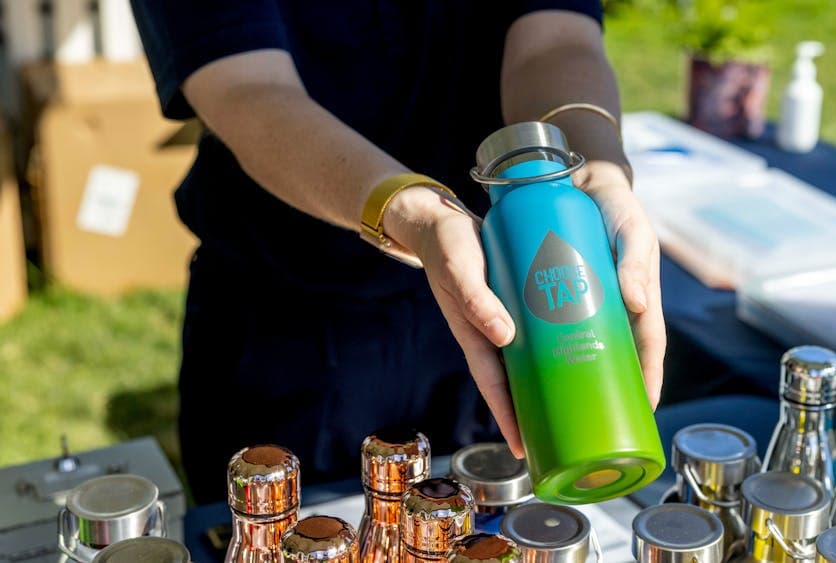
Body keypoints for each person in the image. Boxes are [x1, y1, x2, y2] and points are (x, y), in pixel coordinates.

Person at [130, 0, 667, 505]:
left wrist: (595, 170)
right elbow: (245, 88)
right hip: (287, 317)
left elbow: (555, 40)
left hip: (507, 296)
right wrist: (411, 211)